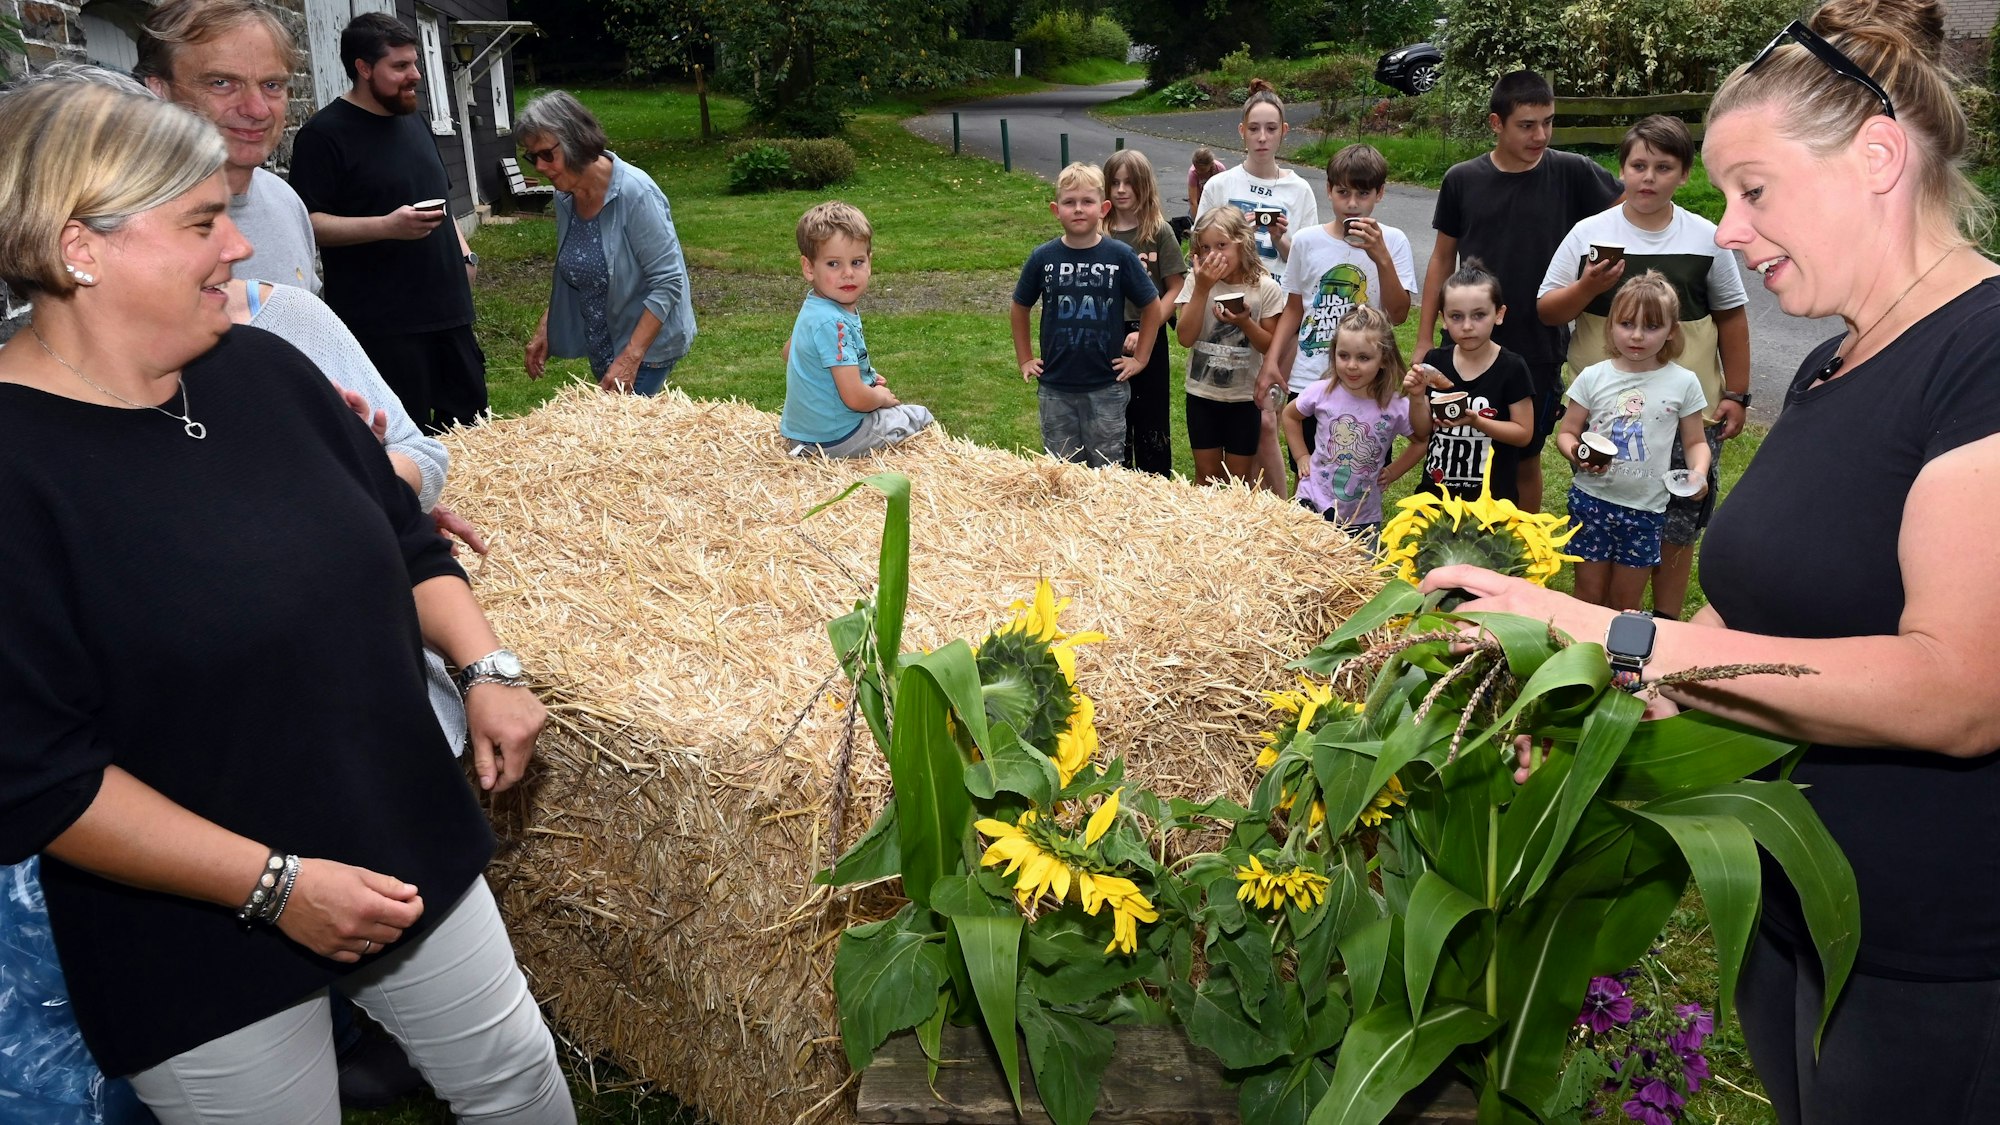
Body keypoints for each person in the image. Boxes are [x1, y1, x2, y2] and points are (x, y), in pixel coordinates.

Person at [1427, 1, 2000, 1118]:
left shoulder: (1980, 358)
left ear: (1877, 158)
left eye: (1752, 189)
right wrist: (1588, 707)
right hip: (1800, 917)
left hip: (1930, 964)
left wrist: (1614, 631)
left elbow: (1959, 688)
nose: (1723, 230)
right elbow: (1772, 634)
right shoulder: (1840, 360)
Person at [0, 82, 574, 1122]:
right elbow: (38, 777)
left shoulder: (263, 370)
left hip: (403, 839)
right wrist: (276, 887)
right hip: (185, 929)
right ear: (79, 246)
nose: (236, 248)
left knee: (519, 1087)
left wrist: (484, 667)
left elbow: (404, 541)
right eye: (201, 221)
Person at [1537, 114, 1753, 620]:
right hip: (1605, 408)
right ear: (1622, 170)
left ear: (1685, 174)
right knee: (1606, 512)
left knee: (1677, 522)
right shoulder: (1590, 234)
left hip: (1685, 407)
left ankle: (1669, 622)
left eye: (1663, 166)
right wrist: (1589, 286)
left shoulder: (1706, 238)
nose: (1649, 177)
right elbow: (1548, 309)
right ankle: (1599, 619)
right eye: (1638, 165)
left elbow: (1732, 317)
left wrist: (1736, 392)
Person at [1418, 70, 1622, 513]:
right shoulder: (1462, 179)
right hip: (1467, 340)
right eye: (1527, 125)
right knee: (1460, 444)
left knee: (1524, 455)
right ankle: (1454, 533)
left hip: (1538, 345)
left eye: (1548, 122)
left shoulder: (1574, 172)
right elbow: (1440, 259)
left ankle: (1520, 555)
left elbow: (1629, 208)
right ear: (1497, 123)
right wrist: (1423, 338)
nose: (1541, 135)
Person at [287, 12, 486, 434]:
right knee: (403, 439)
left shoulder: (413, 120)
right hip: (383, 326)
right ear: (363, 68)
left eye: (414, 63)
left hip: (449, 314)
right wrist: (385, 226)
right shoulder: (324, 136)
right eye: (400, 66)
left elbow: (443, 199)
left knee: (474, 434)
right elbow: (308, 223)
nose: (415, 75)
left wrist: (466, 256)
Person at [134, 0, 319, 294]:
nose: (257, 110)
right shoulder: (125, 223)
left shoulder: (285, 201)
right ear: (160, 89)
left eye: (272, 85)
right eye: (222, 83)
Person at [519, 90, 696, 397]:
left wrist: (631, 357)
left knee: (628, 443)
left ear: (575, 140)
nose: (539, 167)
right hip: (604, 341)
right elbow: (578, 268)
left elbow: (668, 281)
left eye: (547, 154)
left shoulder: (636, 193)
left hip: (644, 350)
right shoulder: (566, 197)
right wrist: (547, 325)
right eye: (532, 157)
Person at [1553, 272, 1711, 610]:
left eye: (1652, 327)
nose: (1637, 335)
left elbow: (1696, 441)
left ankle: (1620, 661)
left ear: (1671, 330)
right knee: (1587, 595)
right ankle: (1583, 657)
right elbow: (1567, 432)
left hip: (1645, 509)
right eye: (1626, 323)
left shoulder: (1683, 383)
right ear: (1611, 325)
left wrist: (1698, 472)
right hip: (1591, 501)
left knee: (1626, 600)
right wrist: (1576, 452)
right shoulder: (1594, 377)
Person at [1262, 143, 1417, 479]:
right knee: (1309, 472)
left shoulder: (1395, 241)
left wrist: (1381, 257)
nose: (1351, 204)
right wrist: (1272, 362)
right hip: (1310, 375)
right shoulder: (1306, 240)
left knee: (1360, 470)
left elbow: (1399, 313)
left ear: (1380, 193)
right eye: (1343, 192)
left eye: (1363, 193)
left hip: (1368, 382)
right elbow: (1294, 309)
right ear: (1328, 190)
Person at [1011, 162, 1162, 467]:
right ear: (1056, 210)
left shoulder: (1119, 255)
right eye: (1069, 202)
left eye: (1087, 202)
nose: (1078, 209)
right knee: (1061, 470)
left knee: (1107, 469)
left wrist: (1141, 358)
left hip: (1107, 385)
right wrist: (1025, 357)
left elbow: (1152, 305)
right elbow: (1019, 306)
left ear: (1103, 208)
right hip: (1056, 386)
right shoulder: (1043, 257)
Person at [779, 201, 933, 457]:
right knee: (918, 415)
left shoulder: (815, 308)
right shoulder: (834, 322)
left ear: (869, 263)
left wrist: (861, 376)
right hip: (835, 439)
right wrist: (881, 396)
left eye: (857, 262)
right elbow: (855, 399)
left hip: (801, 435)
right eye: (833, 264)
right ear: (808, 268)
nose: (848, 273)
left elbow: (788, 353)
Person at [1282, 305, 1428, 550]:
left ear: (1384, 360)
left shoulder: (1395, 406)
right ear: (1334, 353)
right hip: (1313, 503)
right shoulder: (1322, 391)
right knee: (1303, 570)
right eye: (1344, 355)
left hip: (1362, 518)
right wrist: (1301, 455)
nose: (1351, 365)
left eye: (1363, 358)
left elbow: (1421, 440)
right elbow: (1289, 415)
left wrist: (1393, 472)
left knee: (1354, 582)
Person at [1405, 261, 1534, 501]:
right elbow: (1422, 431)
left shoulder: (1512, 367)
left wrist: (1477, 421)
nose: (1467, 326)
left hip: (1491, 500)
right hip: (1437, 493)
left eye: (1479, 315)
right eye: (1456, 316)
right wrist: (1416, 396)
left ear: (1499, 314)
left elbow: (1523, 433)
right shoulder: (1435, 361)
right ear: (1443, 318)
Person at [1177, 206, 1285, 489]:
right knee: (1206, 476)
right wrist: (1201, 288)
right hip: (1202, 393)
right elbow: (1184, 337)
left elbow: (1270, 344)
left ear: (1243, 243)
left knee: (1239, 480)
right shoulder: (1196, 281)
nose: (1214, 254)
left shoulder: (1264, 287)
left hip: (1243, 398)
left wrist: (1245, 322)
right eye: (1206, 247)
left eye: (1222, 245)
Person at [1104, 148, 1186, 477]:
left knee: (1151, 416)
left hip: (1150, 334)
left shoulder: (1158, 232)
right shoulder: (1099, 233)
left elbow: (1176, 288)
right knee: (1112, 414)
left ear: (1145, 186)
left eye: (1130, 183)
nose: (1122, 190)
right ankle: (1115, 483)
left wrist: (1147, 329)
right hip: (1107, 332)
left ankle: (1155, 485)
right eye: (1115, 183)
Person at [1198, 79, 1319, 280]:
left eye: (1271, 128)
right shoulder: (1218, 186)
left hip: (1280, 303)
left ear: (1284, 131)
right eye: (1254, 128)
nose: (1262, 137)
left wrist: (1278, 239)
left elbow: (1308, 263)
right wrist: (1238, 235)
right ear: (1242, 131)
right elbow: (1201, 252)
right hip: (1227, 298)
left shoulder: (1300, 190)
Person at [1186, 146, 1225, 225]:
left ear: (1211, 164)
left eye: (1202, 170)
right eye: (1196, 168)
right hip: (1200, 202)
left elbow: (1224, 194)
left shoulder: (1220, 169)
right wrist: (1197, 223)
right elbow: (1193, 201)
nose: (1199, 172)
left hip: (1215, 201)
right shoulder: (1193, 172)